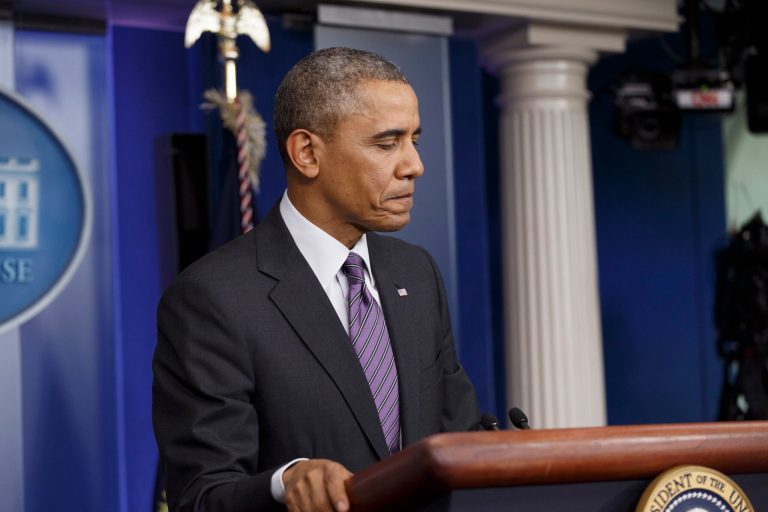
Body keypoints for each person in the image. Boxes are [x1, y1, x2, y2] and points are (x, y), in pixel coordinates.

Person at [153, 47, 480, 512]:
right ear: (307, 153)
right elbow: (202, 497)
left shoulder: (417, 273)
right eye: (387, 144)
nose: (414, 165)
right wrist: (286, 482)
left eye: (414, 140)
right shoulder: (213, 297)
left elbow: (460, 441)